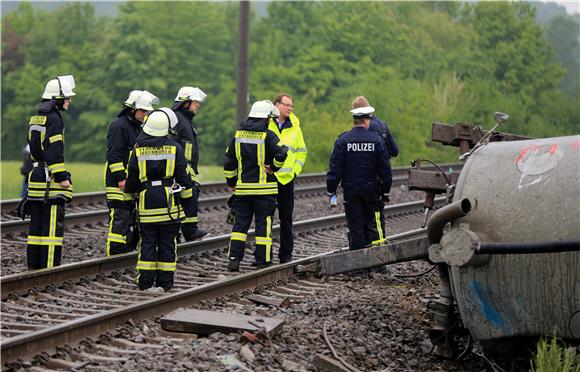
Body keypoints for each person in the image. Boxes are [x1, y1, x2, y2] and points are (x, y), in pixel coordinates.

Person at [124, 108, 196, 291]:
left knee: (147, 243)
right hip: (169, 205)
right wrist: (187, 205)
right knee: (167, 243)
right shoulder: (175, 148)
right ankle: (165, 282)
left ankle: (145, 281)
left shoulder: (138, 150)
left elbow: (131, 178)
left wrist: (129, 199)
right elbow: (184, 178)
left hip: (146, 205)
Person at [224, 100, 288, 271]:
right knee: (263, 225)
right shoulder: (269, 136)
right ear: (266, 119)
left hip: (243, 190)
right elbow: (283, 152)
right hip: (265, 192)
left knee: (239, 226)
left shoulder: (238, 136)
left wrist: (231, 182)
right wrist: (273, 167)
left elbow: (229, 162)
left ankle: (234, 259)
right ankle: (263, 260)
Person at [25, 75, 75, 269]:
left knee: (36, 226)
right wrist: (62, 177)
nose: (69, 101)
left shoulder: (36, 116)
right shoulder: (54, 119)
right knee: (52, 228)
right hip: (50, 180)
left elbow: (34, 147)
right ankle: (49, 269)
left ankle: (34, 266)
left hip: (36, 175)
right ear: (58, 98)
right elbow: (55, 152)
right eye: (67, 98)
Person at [326, 105, 392, 251]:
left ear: (354, 121)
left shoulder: (343, 140)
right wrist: (385, 191)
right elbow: (385, 170)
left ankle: (358, 266)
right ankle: (377, 263)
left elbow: (334, 169)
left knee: (355, 226)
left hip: (350, 189)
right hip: (372, 190)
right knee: (373, 225)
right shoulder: (376, 140)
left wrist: (331, 190)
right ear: (367, 120)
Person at [105, 90, 159, 256]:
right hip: (118, 183)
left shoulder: (136, 128)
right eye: (143, 111)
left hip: (130, 183)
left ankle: (125, 253)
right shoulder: (119, 126)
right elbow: (114, 155)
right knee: (120, 218)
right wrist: (121, 178)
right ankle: (114, 255)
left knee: (130, 218)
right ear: (132, 109)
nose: (145, 115)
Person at [352, 96, 398, 243]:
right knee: (377, 219)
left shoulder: (363, 129)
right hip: (380, 179)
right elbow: (394, 151)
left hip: (367, 179)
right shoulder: (383, 125)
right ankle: (378, 251)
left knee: (367, 220)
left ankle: (373, 255)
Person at [268, 94, 307, 264]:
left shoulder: (295, 127)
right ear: (276, 105)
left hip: (286, 180)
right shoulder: (266, 123)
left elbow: (301, 152)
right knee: (266, 218)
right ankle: (264, 254)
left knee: (286, 219)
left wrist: (294, 172)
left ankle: (286, 254)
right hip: (269, 178)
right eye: (287, 105)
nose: (290, 108)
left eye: (292, 106)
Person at [170, 86, 208, 241]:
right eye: (195, 102)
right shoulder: (177, 119)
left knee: (190, 194)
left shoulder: (187, 120)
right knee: (186, 195)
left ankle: (185, 229)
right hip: (180, 167)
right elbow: (173, 144)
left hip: (187, 167)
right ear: (186, 103)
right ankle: (187, 230)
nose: (197, 105)